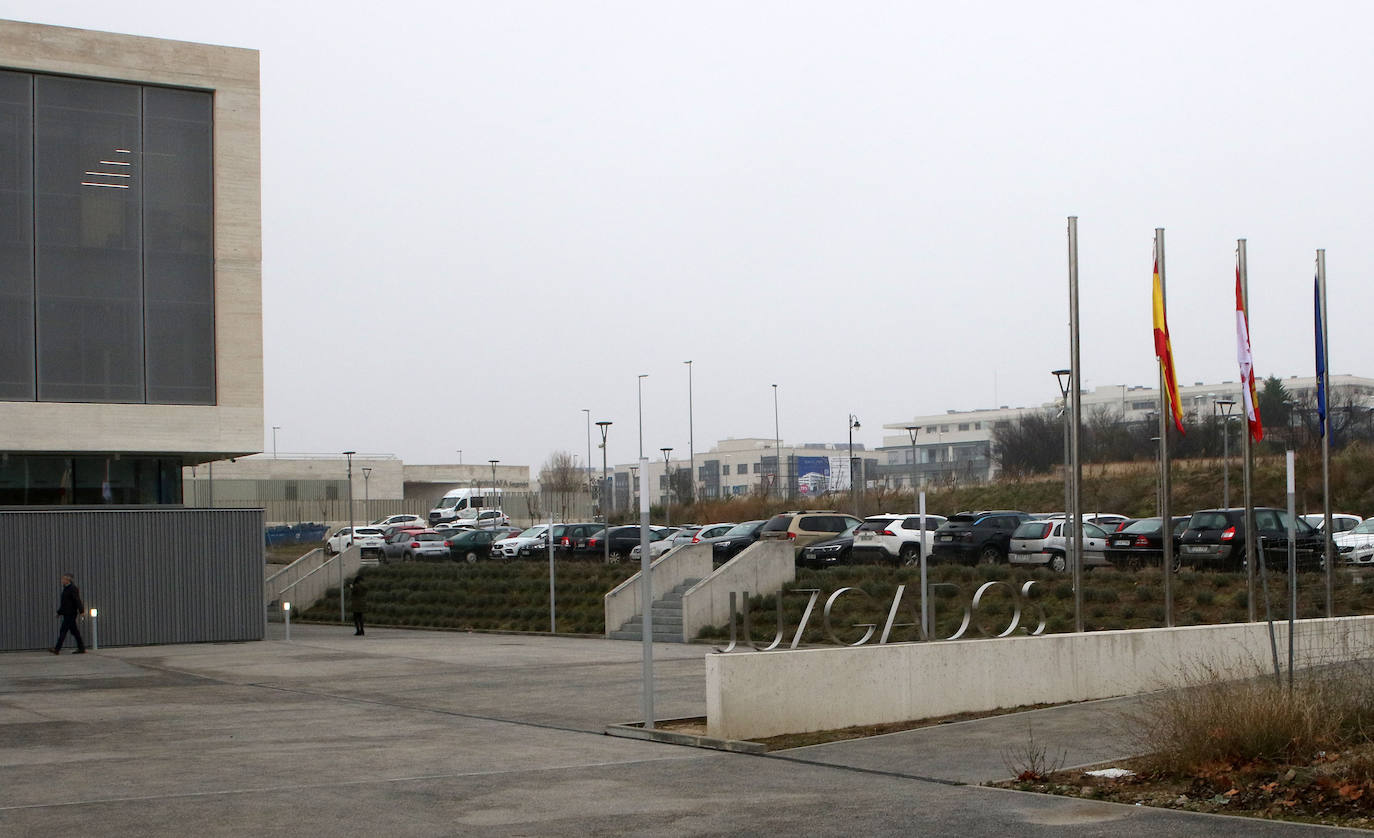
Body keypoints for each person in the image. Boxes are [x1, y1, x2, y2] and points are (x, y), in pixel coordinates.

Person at [51, 572, 86, 655]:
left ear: (68, 580)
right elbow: (64, 603)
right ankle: (81, 648)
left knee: (63, 630)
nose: (62, 580)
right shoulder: (66, 589)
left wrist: (81, 611)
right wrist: (59, 612)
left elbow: (77, 600)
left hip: (71, 613)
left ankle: (57, 649)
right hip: (67, 613)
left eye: (63, 579)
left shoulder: (72, 589)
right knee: (74, 631)